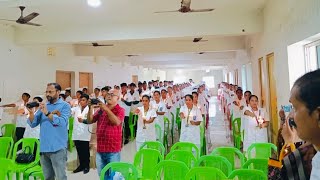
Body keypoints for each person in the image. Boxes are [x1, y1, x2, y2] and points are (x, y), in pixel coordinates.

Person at [27, 83, 71, 180]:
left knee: (61, 177)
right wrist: (31, 113)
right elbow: (33, 123)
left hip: (58, 147)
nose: (47, 94)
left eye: (50, 92)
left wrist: (47, 113)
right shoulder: (44, 105)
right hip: (44, 147)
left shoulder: (65, 106)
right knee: (48, 177)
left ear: (58, 92)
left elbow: (62, 122)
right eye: (46, 92)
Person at [79, 89, 124, 179]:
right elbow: (90, 120)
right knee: (102, 175)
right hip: (100, 148)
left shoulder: (120, 110)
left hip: (113, 149)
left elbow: (117, 122)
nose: (109, 96)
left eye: (112, 94)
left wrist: (106, 109)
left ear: (118, 98)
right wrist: (90, 108)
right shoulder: (101, 110)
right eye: (108, 94)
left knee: (113, 176)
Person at [286, 69, 320, 179]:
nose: (291, 116)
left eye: (295, 108)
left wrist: (289, 144)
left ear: (318, 115)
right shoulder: (315, 157)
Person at [71, 94, 92, 174]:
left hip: (85, 133)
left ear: (87, 101)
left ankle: (86, 166)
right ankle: (81, 165)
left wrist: (83, 120)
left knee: (85, 151)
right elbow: (69, 111)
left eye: (83, 100)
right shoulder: (76, 108)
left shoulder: (89, 109)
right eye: (80, 100)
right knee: (79, 151)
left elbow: (91, 120)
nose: (81, 102)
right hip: (77, 133)